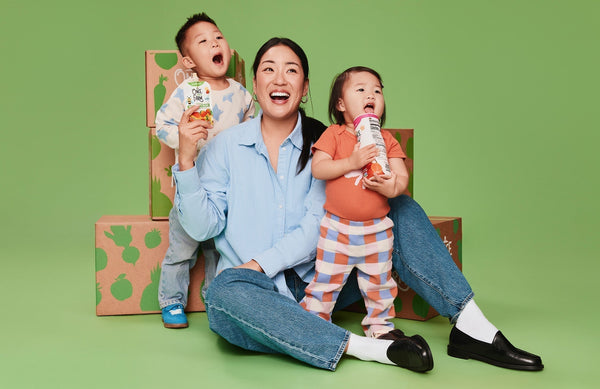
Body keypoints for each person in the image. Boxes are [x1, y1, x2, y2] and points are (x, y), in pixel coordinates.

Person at [174, 37, 543, 372]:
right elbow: (203, 227)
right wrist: (186, 162)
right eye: (268, 69)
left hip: (325, 277)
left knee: (397, 206)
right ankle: (370, 348)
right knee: (221, 294)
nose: (279, 79)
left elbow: (317, 222)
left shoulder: (328, 141)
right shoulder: (225, 146)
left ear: (304, 89)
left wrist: (386, 183)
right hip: (251, 290)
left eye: (292, 71)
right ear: (254, 86)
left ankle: (470, 325)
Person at [155, 12, 255, 328]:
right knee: (181, 251)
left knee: (219, 252)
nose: (214, 42)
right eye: (203, 41)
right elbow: (162, 126)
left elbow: (254, 129)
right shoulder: (187, 91)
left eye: (218, 37)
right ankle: (172, 301)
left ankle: (216, 300)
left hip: (228, 191)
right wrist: (187, 140)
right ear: (188, 61)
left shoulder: (241, 93)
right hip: (192, 188)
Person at [300, 66, 410, 340]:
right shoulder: (334, 135)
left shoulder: (386, 139)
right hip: (337, 229)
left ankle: (380, 328)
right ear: (340, 104)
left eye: (377, 90)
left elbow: (401, 178)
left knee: (380, 284)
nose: (370, 94)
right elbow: (319, 169)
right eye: (360, 89)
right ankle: (315, 321)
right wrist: (352, 162)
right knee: (325, 280)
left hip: (377, 230)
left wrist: (391, 185)